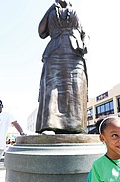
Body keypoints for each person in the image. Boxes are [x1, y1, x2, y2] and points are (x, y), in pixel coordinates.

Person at [36, 0, 89, 134]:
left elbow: (85, 33)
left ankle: (76, 126)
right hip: (54, 50)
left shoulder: (75, 12)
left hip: (74, 51)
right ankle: (49, 125)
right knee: (51, 85)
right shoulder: (52, 11)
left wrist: (85, 43)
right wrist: (50, 9)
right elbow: (41, 32)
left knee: (76, 84)